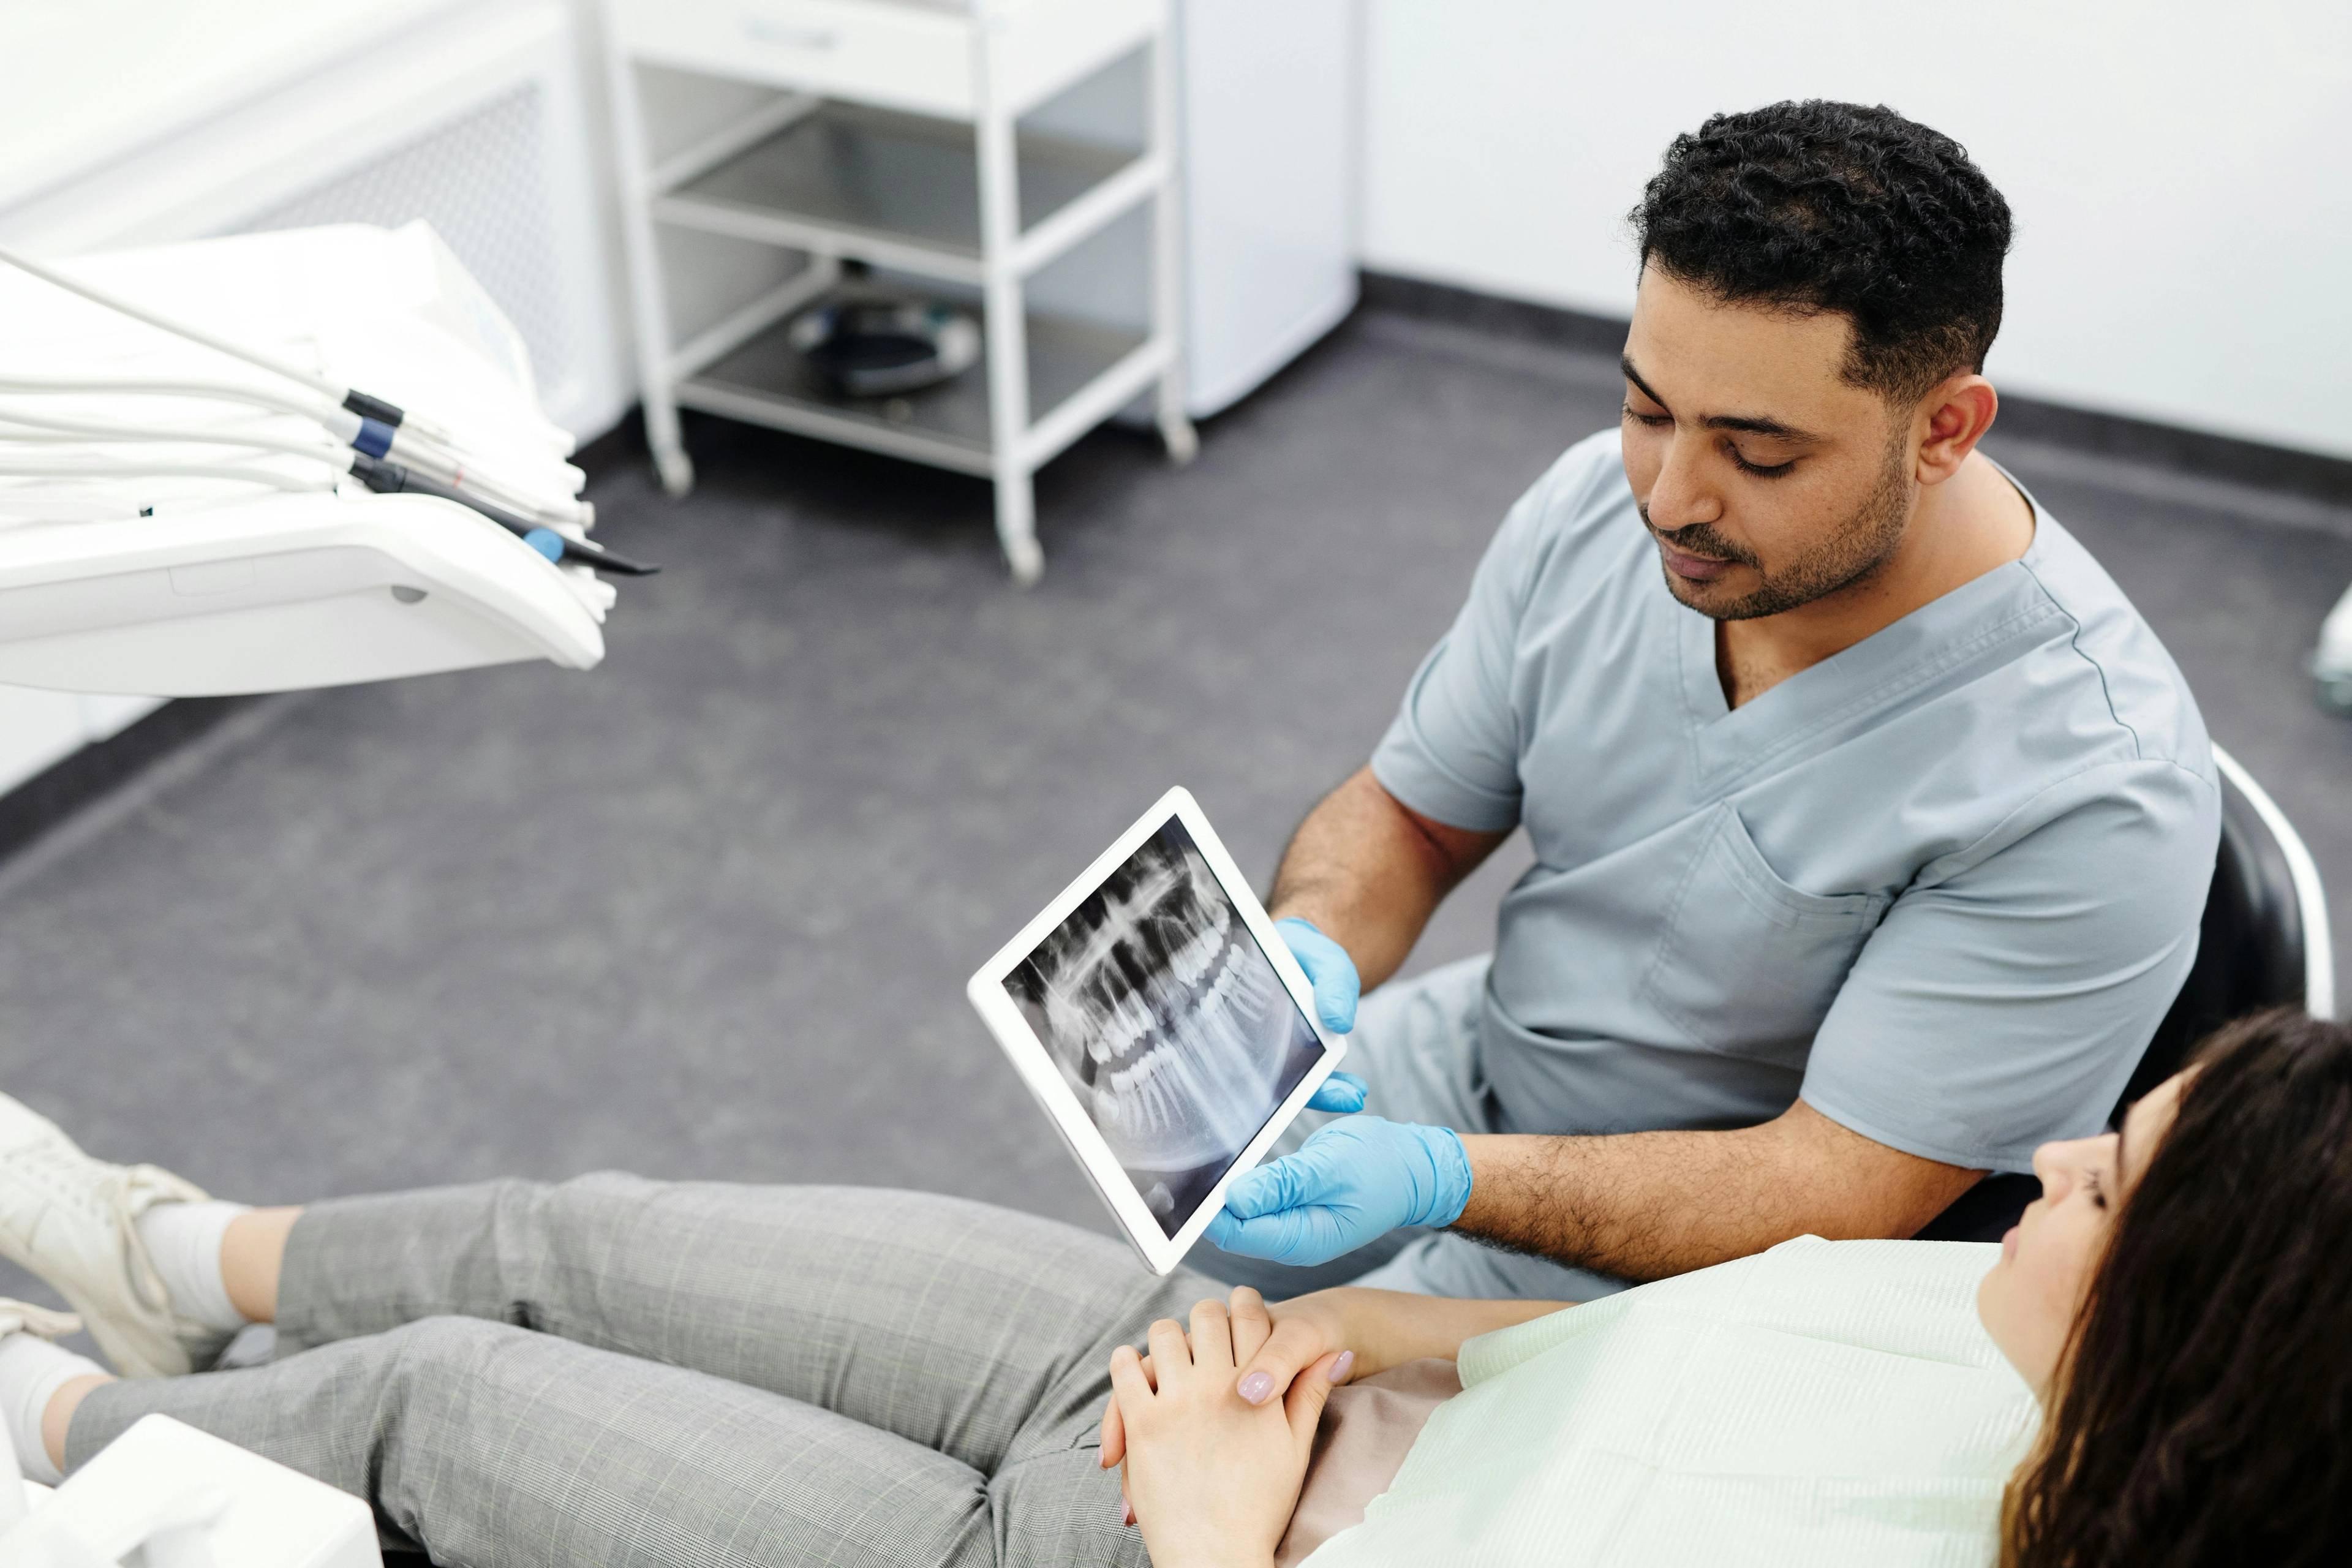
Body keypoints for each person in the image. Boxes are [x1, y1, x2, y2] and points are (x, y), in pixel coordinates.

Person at [2, 1011, 2346, 1567]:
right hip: (1251, 1391)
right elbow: (1588, 1346)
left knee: (441, 1411)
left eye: (2111, 1184)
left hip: (1136, 1551)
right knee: (581, 1234)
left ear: (2206, 1341)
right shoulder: (1955, 1321)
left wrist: (1219, 1526)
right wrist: (1322, 1331)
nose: (2054, 1159)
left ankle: (47, 1430)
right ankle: (161, 1261)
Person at [1208, 99, 2219, 1300]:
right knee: (1192, 1194)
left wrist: (1448, 1181)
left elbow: (1834, 1184)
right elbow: (1417, 815)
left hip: (1705, 1258)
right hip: (1488, 1053)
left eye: (1760, 452)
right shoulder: (1597, 504)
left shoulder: (2096, 782)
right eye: (1648, 409)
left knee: (1233, 1406)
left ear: (1942, 428)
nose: (1669, 497)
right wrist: (1313, 933)